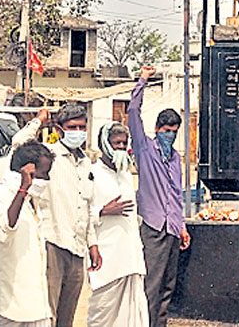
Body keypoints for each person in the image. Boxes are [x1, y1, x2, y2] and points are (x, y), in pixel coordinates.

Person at [11, 103, 102, 327]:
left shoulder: (85, 162)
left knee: (67, 316)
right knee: (48, 312)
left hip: (78, 247)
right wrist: (39, 120)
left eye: (82, 127)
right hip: (53, 243)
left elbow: (87, 205)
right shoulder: (48, 155)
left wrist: (93, 243)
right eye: (73, 127)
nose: (78, 132)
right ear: (59, 129)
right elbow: (18, 143)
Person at [129, 66, 191, 327]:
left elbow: (175, 194)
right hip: (153, 227)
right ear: (157, 129)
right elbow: (132, 111)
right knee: (150, 286)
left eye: (174, 130)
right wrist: (143, 80)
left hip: (172, 229)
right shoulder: (145, 149)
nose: (170, 134)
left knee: (168, 285)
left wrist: (182, 226)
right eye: (166, 129)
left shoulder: (176, 158)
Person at [0, 140, 55, 327]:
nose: (47, 180)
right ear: (27, 171)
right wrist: (22, 190)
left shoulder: (33, 200)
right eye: (44, 174)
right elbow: (2, 232)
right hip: (11, 310)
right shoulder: (2, 195)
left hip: (36, 308)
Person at [88, 123, 149, 327]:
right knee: (102, 313)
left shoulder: (125, 174)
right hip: (107, 256)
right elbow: (81, 212)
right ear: (105, 144)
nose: (121, 147)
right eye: (116, 143)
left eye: (124, 143)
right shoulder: (92, 173)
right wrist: (103, 211)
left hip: (130, 255)